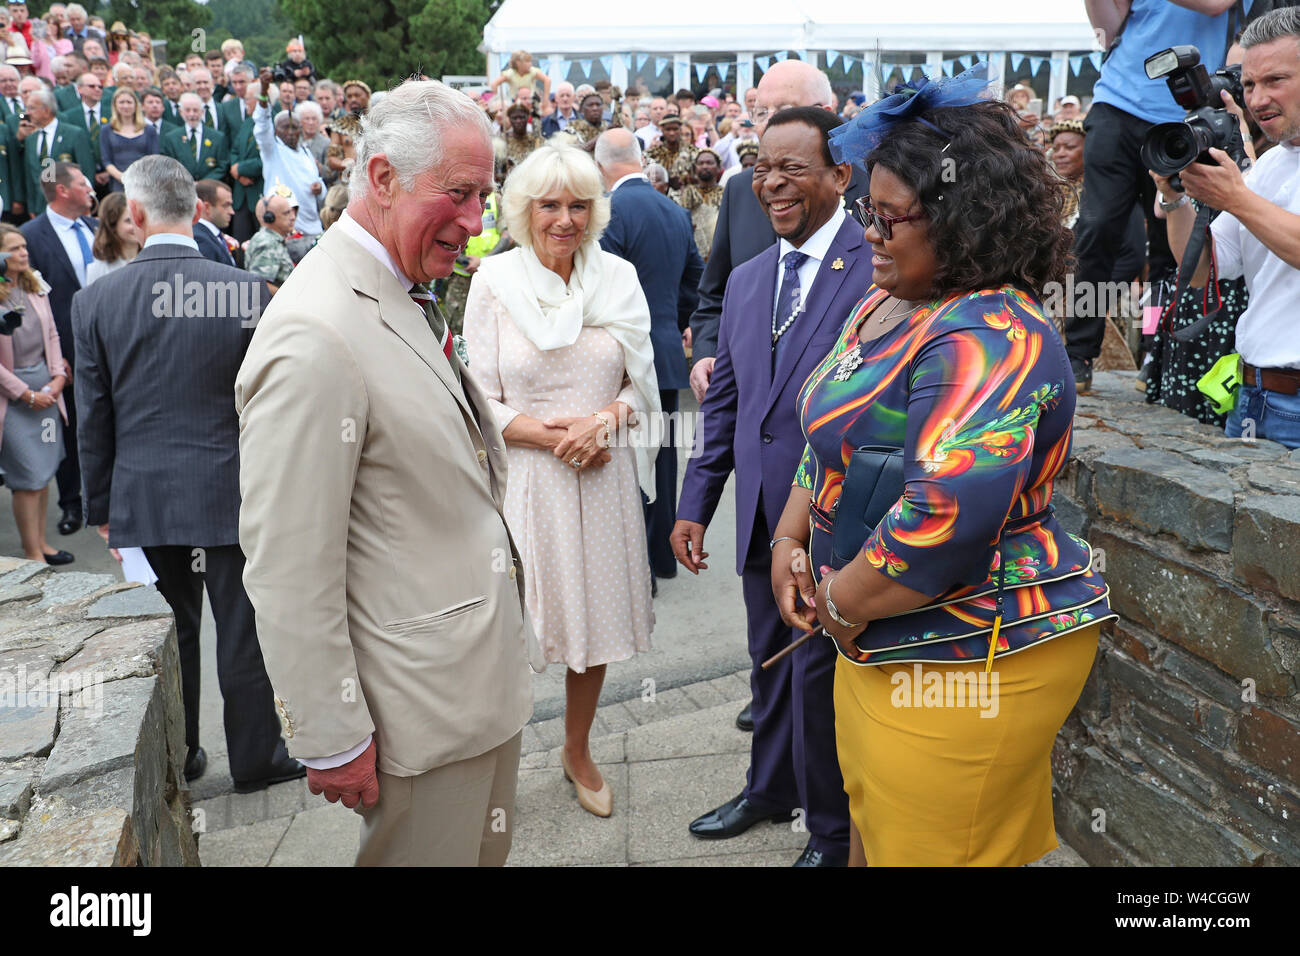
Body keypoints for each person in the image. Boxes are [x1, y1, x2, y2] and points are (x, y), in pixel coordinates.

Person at [768, 82, 1114, 867]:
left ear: (965, 219)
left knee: (932, 848)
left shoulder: (987, 335)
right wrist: (792, 537)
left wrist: (833, 598)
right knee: (878, 826)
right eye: (867, 212)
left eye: (889, 219)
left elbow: (937, 526)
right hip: (879, 627)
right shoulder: (888, 301)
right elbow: (827, 436)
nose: (868, 235)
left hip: (962, 647)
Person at [236, 78, 540, 866]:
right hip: (418, 716)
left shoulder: (395, 288)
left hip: (466, 693)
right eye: (460, 194)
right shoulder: (314, 330)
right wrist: (331, 734)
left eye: (486, 196)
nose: (477, 224)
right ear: (380, 179)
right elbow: (288, 563)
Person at [672, 108, 867, 867]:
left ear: (840, 176)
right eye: (761, 166)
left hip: (833, 520)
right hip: (758, 515)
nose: (772, 183)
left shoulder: (877, 267)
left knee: (817, 675)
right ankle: (768, 790)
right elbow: (726, 404)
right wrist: (696, 504)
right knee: (769, 663)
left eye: (792, 167)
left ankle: (828, 831)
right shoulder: (752, 279)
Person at [72, 154, 295, 791]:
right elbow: (272, 403)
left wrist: (100, 507)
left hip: (148, 494)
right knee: (242, 627)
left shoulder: (96, 301)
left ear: (133, 216)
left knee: (174, 631)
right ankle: (256, 758)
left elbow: (94, 414)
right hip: (232, 489)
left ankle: (183, 753)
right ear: (197, 210)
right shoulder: (247, 290)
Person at [464, 142, 657, 819]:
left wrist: (603, 422)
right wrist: (558, 438)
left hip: (602, 483)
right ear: (523, 210)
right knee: (506, 633)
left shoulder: (619, 279)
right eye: (550, 204)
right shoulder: (492, 282)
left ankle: (577, 750)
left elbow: (642, 383)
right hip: (526, 487)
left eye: (579, 204)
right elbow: (477, 398)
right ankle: (489, 764)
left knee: (591, 626)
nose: (565, 218)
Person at [1070, 0, 1242, 393]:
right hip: (1116, 102)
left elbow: (1215, 5)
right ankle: (1077, 353)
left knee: (1166, 250)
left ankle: (1156, 350)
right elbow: (1109, 33)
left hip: (1185, 111)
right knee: (1095, 228)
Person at [1153, 7, 1300, 447]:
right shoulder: (1270, 164)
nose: (1256, 100)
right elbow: (1203, 271)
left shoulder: (1250, 182)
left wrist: (1236, 197)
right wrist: (1175, 195)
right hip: (1253, 397)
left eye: (1275, 80)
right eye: (1249, 84)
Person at [689, 59, 869, 404]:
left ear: (827, 114)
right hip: (750, 408)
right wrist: (707, 352)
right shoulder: (743, 190)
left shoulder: (875, 189)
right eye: (760, 111)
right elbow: (714, 294)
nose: (769, 123)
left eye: (785, 111)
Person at [593, 128, 701, 590]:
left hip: (621, 355)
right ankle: (661, 558)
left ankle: (637, 565)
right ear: (639, 159)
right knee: (661, 457)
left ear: (600, 167)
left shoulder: (607, 212)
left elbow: (602, 290)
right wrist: (671, 325)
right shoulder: (675, 211)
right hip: (666, 352)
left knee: (626, 459)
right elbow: (695, 280)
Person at [19, 161, 93, 535]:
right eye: (83, 183)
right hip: (62, 348)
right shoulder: (31, 236)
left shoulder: (97, 229)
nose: (90, 188)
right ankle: (71, 503)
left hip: (104, 344)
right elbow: (27, 298)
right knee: (68, 426)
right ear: (63, 190)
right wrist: (48, 356)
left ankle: (104, 498)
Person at [0, 222, 72, 564]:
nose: (23, 252)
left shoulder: (35, 283)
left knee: (44, 471)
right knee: (27, 477)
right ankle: (32, 555)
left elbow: (54, 335)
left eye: (24, 246)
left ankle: (42, 543)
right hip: (12, 398)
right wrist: (25, 394)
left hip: (46, 389)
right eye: (14, 248)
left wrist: (58, 378)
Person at [254, 68, 324, 236]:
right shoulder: (272, 150)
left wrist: (320, 188)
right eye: (286, 127)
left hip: (312, 227)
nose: (291, 132)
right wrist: (264, 91)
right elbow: (262, 124)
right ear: (276, 130)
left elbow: (320, 191)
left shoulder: (306, 153)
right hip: (285, 230)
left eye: (295, 127)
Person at [16, 85, 93, 216]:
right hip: (41, 209)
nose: (27, 113)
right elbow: (30, 176)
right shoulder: (31, 139)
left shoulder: (74, 134)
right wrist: (32, 208)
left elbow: (86, 171)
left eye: (32, 108)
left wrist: (84, 203)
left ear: (46, 110)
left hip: (71, 206)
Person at [97, 86, 157, 191]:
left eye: (129, 102)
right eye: (121, 102)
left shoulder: (149, 130)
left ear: (136, 105)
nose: (125, 106)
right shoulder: (106, 130)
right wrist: (122, 177)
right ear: (115, 105)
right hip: (118, 183)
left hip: (144, 184)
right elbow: (106, 160)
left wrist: (139, 178)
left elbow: (154, 158)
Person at [159, 91, 228, 182]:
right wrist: (188, 184)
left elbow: (222, 166)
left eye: (195, 110)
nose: (192, 114)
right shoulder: (171, 138)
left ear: (202, 112)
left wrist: (203, 184)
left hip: (209, 189)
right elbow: (168, 167)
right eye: (187, 110)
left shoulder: (217, 137)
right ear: (181, 112)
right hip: (182, 189)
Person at [671, 148, 724, 258]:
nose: (705, 166)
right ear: (695, 168)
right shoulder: (685, 195)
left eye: (709, 163)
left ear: (718, 167)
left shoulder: (726, 194)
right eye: (701, 163)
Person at [244, 191, 296, 291]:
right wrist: (289, 300)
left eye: (292, 212)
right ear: (269, 218)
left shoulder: (273, 239)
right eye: (286, 213)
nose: (293, 217)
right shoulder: (267, 243)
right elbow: (259, 284)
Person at [84, 190, 137, 282]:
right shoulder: (97, 270)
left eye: (138, 219)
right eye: (128, 221)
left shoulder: (154, 262)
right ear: (112, 224)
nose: (136, 226)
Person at [645, 114, 697, 191]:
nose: (671, 133)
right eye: (668, 129)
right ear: (662, 130)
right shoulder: (652, 154)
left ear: (680, 130)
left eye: (675, 129)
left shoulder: (693, 152)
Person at [193, 178, 237, 267]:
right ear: (207, 207)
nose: (232, 212)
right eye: (226, 205)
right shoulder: (201, 239)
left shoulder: (211, 235)